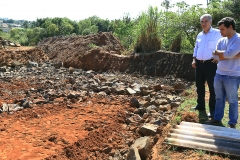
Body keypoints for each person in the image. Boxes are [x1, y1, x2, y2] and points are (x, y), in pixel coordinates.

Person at [206, 17, 240, 128]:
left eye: (222, 29)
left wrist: (223, 54)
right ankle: (217, 118)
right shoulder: (221, 40)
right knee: (219, 98)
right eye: (220, 29)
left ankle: (232, 123)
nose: (220, 32)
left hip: (232, 75)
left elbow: (224, 54)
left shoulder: (238, 39)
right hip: (219, 73)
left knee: (232, 100)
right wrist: (231, 55)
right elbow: (214, 55)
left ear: (230, 27)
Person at [192, 14, 222, 118]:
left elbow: (226, 44)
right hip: (199, 64)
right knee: (199, 86)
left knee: (212, 88)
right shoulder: (199, 35)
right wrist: (194, 59)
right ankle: (200, 105)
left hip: (211, 64)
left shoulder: (217, 33)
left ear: (210, 22)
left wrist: (219, 57)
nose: (204, 24)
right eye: (202, 22)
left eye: (206, 21)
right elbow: (196, 48)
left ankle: (212, 110)